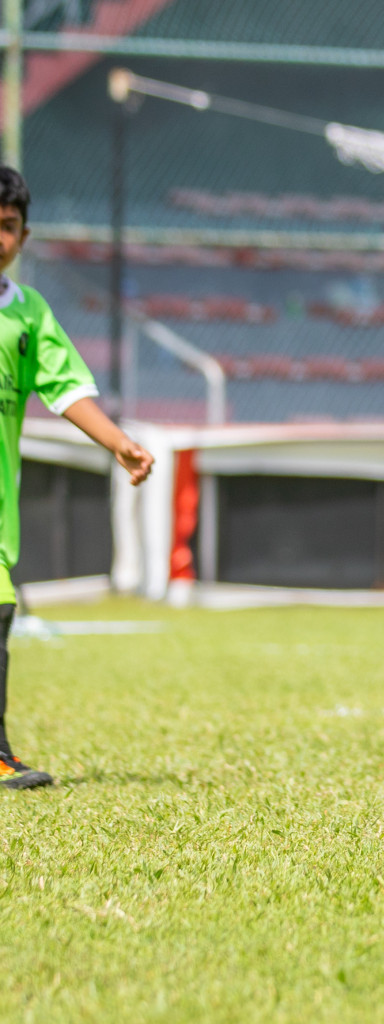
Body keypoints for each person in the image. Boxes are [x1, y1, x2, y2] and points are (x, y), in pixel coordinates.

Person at [0, 167, 154, 789]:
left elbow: (65, 390)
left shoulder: (28, 313)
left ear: (24, 236)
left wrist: (118, 441)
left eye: (7, 228)